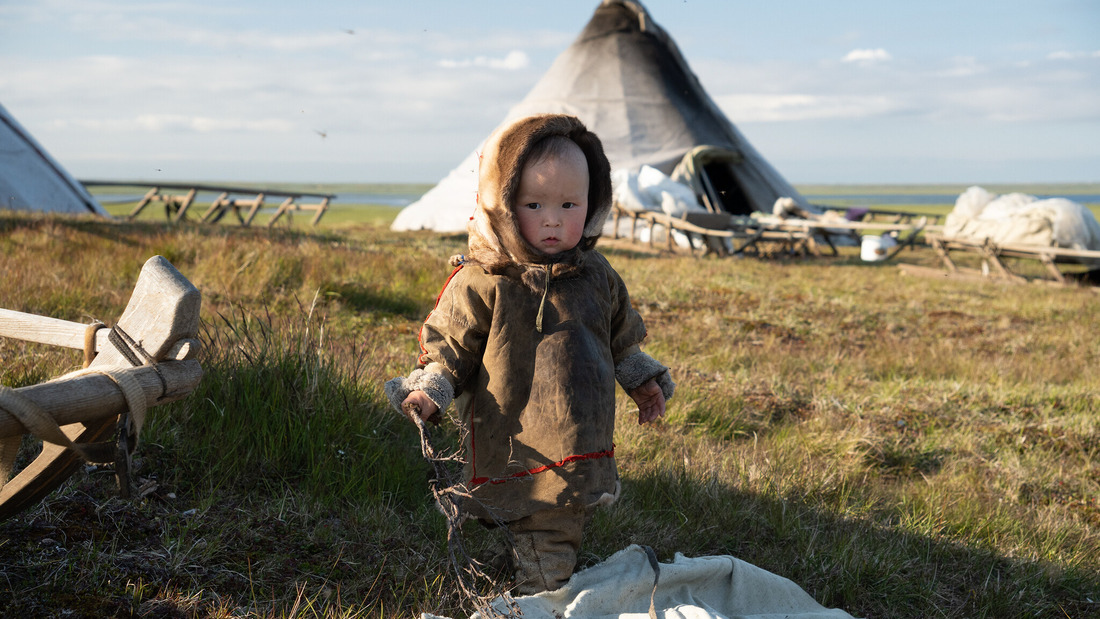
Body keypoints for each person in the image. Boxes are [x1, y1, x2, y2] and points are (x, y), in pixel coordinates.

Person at [385, 113, 674, 595]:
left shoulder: (596, 276)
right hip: (511, 434)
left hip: (575, 433)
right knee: (516, 509)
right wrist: (431, 390)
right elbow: (452, 347)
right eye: (534, 204)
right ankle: (529, 574)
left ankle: (541, 591)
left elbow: (621, 338)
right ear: (502, 205)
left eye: (570, 204)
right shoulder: (486, 280)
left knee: (555, 525)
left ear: (594, 204)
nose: (554, 219)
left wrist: (643, 381)